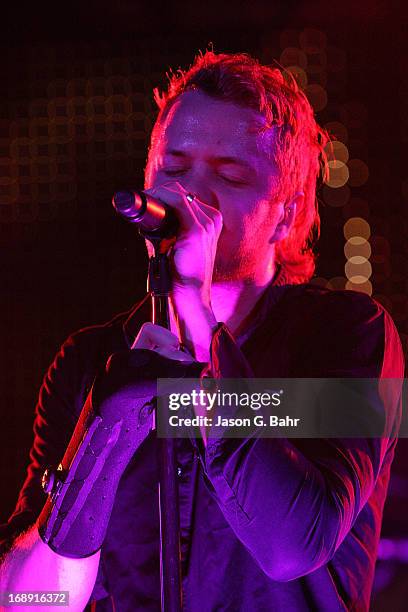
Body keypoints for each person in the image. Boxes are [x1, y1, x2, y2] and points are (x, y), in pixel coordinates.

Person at [0, 51, 404, 611]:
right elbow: (29, 601)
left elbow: (291, 548)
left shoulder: (347, 336)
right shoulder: (88, 360)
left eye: (230, 173)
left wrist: (195, 306)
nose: (191, 192)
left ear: (285, 215)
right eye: (174, 167)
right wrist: (106, 436)